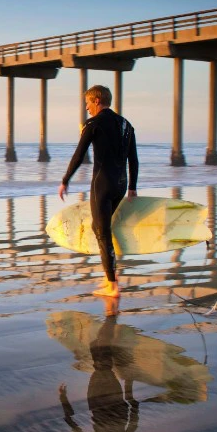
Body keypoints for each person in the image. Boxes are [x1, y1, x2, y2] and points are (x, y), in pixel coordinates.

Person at [58, 85, 138, 298]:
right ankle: (109, 277)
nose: (86, 107)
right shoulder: (126, 125)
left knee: (102, 232)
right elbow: (134, 159)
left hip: (102, 184)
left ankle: (112, 286)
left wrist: (65, 180)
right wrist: (132, 187)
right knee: (100, 227)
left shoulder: (93, 124)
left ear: (96, 100)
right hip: (121, 184)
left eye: (87, 102)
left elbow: (78, 155)